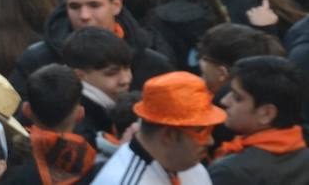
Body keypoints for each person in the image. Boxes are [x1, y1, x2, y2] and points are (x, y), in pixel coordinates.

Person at [91, 71, 225, 185]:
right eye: (201, 131)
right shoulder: (124, 180)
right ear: (169, 135)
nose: (210, 141)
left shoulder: (189, 166)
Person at [209, 56, 309, 183]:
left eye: (237, 97)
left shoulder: (230, 172)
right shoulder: (304, 157)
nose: (224, 101)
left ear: (266, 114)